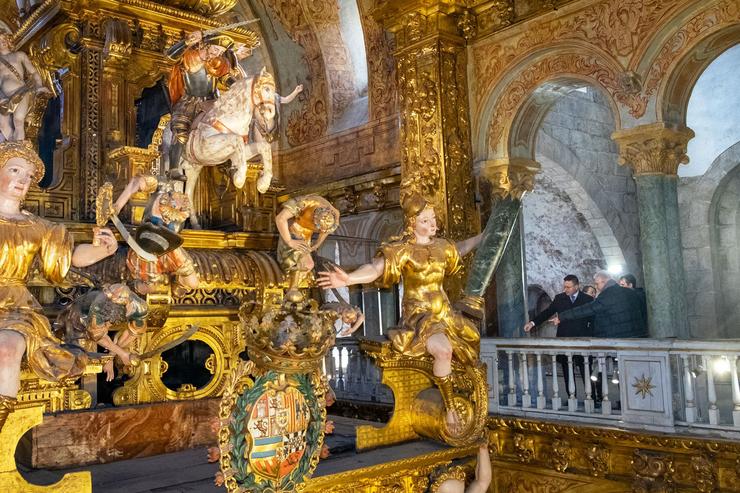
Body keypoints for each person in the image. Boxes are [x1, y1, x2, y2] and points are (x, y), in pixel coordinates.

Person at [318, 193, 482, 432]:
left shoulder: (443, 247)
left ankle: (465, 392)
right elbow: (375, 269)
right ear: (412, 223)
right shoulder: (402, 250)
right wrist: (349, 278)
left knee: (473, 340)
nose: (433, 224)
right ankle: (450, 408)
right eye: (426, 220)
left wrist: (485, 236)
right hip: (421, 316)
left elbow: (461, 248)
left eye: (433, 219)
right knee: (444, 351)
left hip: (445, 312)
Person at [0, 141, 117, 431]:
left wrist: (102, 249)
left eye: (28, 176)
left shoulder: (39, 227)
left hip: (15, 308)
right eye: (14, 170)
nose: (22, 180)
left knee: (6, 350)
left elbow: (69, 259)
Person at [165, 30, 252, 180]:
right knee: (180, 132)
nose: (218, 54)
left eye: (221, 52)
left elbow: (225, 78)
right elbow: (169, 56)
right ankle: (173, 168)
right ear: (206, 44)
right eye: (216, 49)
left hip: (212, 101)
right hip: (189, 101)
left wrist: (239, 86)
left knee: (228, 128)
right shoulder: (189, 55)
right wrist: (186, 42)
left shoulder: (218, 62)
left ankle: (231, 164)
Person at [523, 274, 593, 396]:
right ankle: (572, 396)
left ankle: (591, 397)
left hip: (583, 340)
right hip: (564, 340)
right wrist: (533, 322)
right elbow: (547, 312)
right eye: (564, 287)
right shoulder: (559, 298)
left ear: (577, 286)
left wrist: (593, 337)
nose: (565, 289)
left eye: (568, 287)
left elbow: (593, 320)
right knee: (567, 370)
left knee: (585, 370)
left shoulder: (587, 299)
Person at [275, 194, 340, 303]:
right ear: (315, 217)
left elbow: (327, 230)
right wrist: (289, 241)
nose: (319, 231)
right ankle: (291, 287)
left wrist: (316, 245)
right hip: (290, 228)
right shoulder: (304, 202)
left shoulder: (333, 214)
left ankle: (292, 287)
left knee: (308, 265)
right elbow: (280, 218)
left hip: (305, 236)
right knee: (291, 261)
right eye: (317, 227)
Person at [554, 270, 648, 338]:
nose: (596, 287)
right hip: (638, 336)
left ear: (603, 281)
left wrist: (562, 317)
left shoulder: (608, 295)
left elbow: (588, 309)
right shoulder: (631, 292)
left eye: (597, 284)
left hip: (619, 338)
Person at [0, 32, 50, 142]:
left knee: (18, 120)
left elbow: (34, 73)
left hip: (20, 92)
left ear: (8, 40)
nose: (2, 41)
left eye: (4, 38)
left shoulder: (19, 55)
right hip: (3, 98)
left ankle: (20, 150)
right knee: (3, 125)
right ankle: (15, 148)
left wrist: (39, 86)